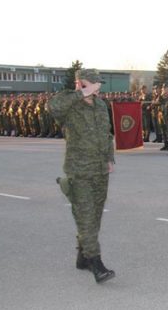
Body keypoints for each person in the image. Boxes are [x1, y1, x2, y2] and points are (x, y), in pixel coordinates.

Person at [48, 69, 115, 283]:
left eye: (98, 83)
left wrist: (109, 158)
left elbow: (107, 134)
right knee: (86, 217)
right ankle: (96, 263)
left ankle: (82, 257)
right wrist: (81, 93)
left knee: (94, 217)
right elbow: (52, 107)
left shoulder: (101, 105)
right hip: (79, 171)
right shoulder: (70, 103)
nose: (97, 86)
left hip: (100, 170)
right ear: (80, 83)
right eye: (92, 83)